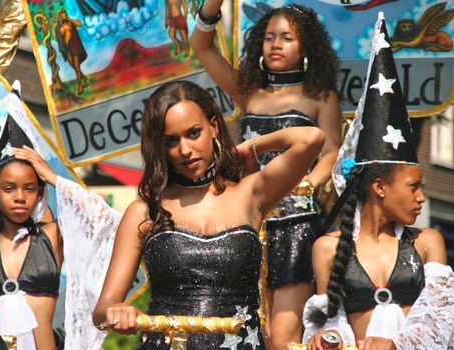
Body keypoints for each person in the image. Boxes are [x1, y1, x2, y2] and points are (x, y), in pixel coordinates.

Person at [91, 80, 324, 349]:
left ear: (213, 127)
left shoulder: (251, 193)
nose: (185, 150)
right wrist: (117, 312)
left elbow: (311, 138)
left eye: (193, 133)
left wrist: (246, 148)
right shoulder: (143, 212)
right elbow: (101, 311)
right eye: (171, 141)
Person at [191, 3, 341, 348]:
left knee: (283, 336)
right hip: (246, 223)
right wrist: (212, 5)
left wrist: (308, 184)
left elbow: (331, 150)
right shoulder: (248, 92)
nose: (276, 44)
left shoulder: (321, 97)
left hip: (296, 222)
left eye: (287, 38)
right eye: (269, 37)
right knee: (245, 328)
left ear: (306, 47)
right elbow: (201, 46)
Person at [303, 13, 454, 350]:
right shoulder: (328, 249)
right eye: (413, 186)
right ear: (380, 187)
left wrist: (397, 344)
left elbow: (442, 320)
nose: (421, 198)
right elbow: (332, 322)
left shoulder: (427, 242)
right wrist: (326, 338)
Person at [0, 85, 120, 350]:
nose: (20, 196)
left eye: (29, 188)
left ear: (40, 191)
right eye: (9, 188)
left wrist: (52, 177)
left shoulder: (53, 236)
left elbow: (106, 221)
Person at [54, 8, 88, 95]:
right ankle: (84, 77)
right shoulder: (57, 26)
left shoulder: (69, 22)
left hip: (75, 46)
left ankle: (80, 85)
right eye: (63, 14)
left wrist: (68, 19)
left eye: (65, 13)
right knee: (72, 64)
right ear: (59, 16)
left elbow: (79, 24)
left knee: (76, 66)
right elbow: (56, 37)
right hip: (66, 49)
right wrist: (61, 32)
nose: (64, 15)